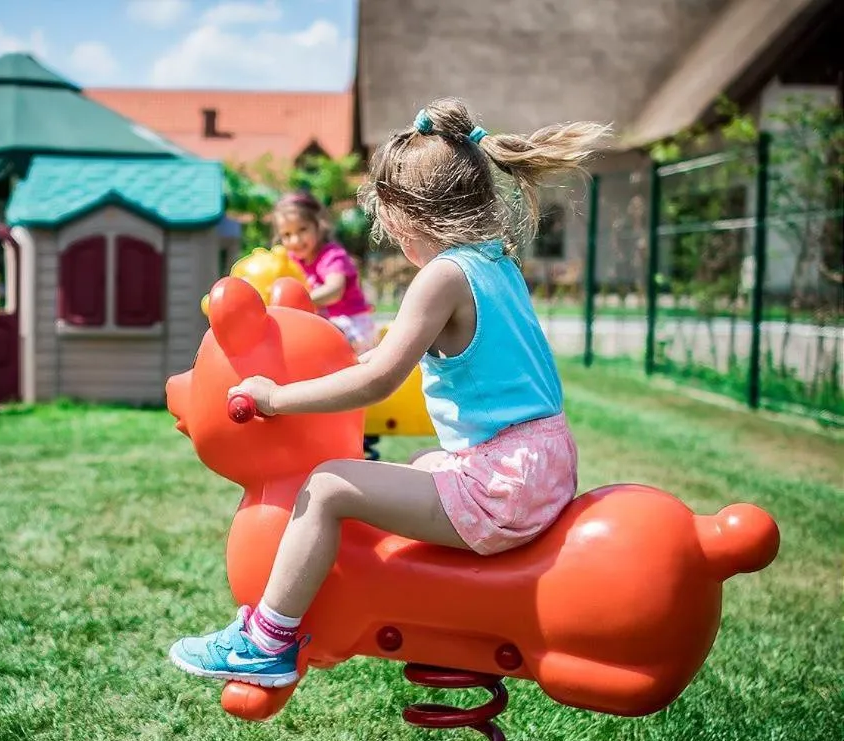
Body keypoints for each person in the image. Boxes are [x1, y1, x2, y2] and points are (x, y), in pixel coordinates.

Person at [169, 97, 609, 687]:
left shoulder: (442, 277)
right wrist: (343, 361)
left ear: (406, 216)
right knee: (415, 466)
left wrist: (275, 398)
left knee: (326, 485)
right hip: (542, 461)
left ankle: (265, 641)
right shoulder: (496, 262)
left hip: (504, 481)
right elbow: (381, 355)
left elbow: (378, 381)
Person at [273, 192, 377, 355]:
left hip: (350, 324)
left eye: (302, 230)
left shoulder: (331, 256)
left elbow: (334, 290)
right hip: (322, 325)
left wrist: (298, 300)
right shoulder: (290, 261)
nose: (295, 240)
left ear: (318, 225)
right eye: (287, 234)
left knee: (321, 337)